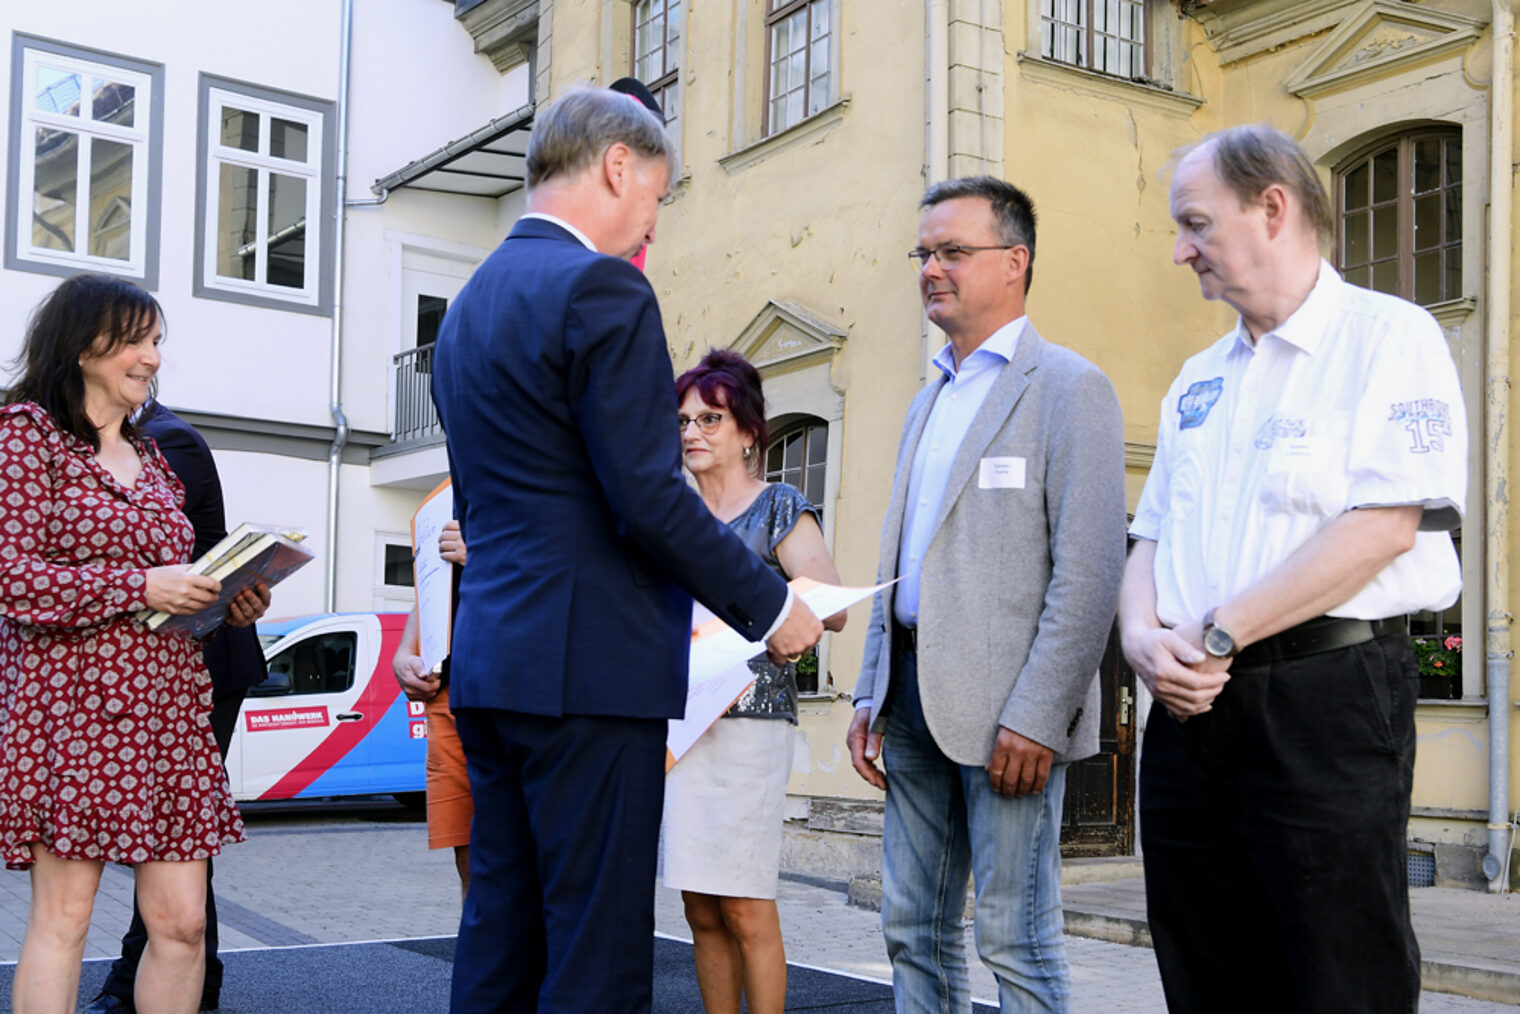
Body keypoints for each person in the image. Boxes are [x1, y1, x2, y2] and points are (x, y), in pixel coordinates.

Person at [429, 87, 822, 1014]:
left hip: (492, 665)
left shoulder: (469, 304)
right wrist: (772, 605)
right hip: (590, 674)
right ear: (617, 166)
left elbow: (485, 504)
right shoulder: (602, 287)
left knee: (501, 938)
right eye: (656, 193)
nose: (653, 219)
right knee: (595, 957)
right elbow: (646, 497)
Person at [1119, 124, 1467, 1014]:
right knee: (1203, 963)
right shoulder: (1199, 377)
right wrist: (1140, 641)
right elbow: (1151, 532)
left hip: (1325, 697)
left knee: (1340, 971)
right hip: (1188, 709)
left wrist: (1215, 635)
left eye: (1196, 223)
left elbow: (1383, 526)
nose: (1179, 250)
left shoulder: (1387, 338)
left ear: (1272, 207)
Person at [847, 177, 1127, 1013]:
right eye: (924, 253)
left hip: (1010, 717)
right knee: (911, 927)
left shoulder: (1069, 388)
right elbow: (903, 560)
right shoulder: (927, 399)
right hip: (911, 700)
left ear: (1015, 261)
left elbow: (1090, 572)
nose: (931, 268)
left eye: (953, 252)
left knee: (1014, 935)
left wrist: (1039, 715)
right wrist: (868, 692)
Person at [0, 274, 267, 1014]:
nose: (153, 357)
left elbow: (175, 584)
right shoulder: (26, 435)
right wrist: (142, 585)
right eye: (136, 340)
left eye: (156, 341)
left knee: (183, 926)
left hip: (169, 710)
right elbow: (12, 578)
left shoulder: (154, 458)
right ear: (83, 345)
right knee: (66, 917)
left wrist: (226, 603)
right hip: (73, 709)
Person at [659, 349, 847, 1014]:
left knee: (743, 903)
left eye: (710, 419)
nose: (692, 432)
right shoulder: (672, 516)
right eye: (684, 420)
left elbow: (831, 607)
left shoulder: (777, 505)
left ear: (748, 432)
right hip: (682, 727)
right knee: (699, 905)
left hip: (751, 726)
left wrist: (747, 613)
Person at [87, 398, 271, 1014]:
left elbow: (146, 558)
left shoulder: (167, 441)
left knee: (174, 836)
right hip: (158, 660)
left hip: (201, 660)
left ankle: (145, 980)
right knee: (173, 840)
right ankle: (188, 973)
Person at [391, 520, 471, 899]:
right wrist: (405, 654)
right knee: (471, 865)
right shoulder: (448, 497)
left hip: (525, 698)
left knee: (526, 861)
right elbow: (435, 586)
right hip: (451, 698)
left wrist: (490, 558)